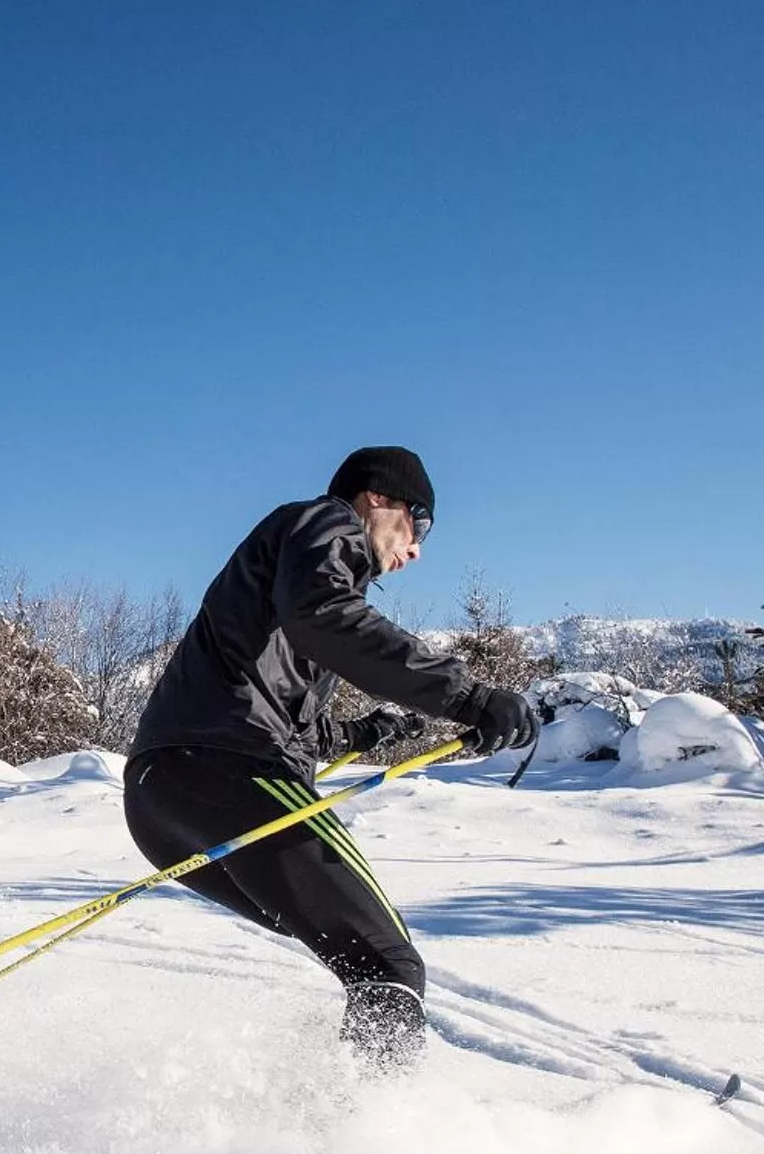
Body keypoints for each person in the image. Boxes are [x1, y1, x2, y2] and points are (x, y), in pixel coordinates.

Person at [123, 445, 539, 1070]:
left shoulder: (287, 577)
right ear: (378, 499)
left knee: (350, 946)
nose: (417, 548)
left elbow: (274, 706)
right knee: (386, 960)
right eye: (418, 523)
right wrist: (470, 696)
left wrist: (358, 736)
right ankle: (372, 1135)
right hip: (231, 770)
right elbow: (326, 618)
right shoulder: (325, 524)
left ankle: (318, 1121)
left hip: (163, 792)